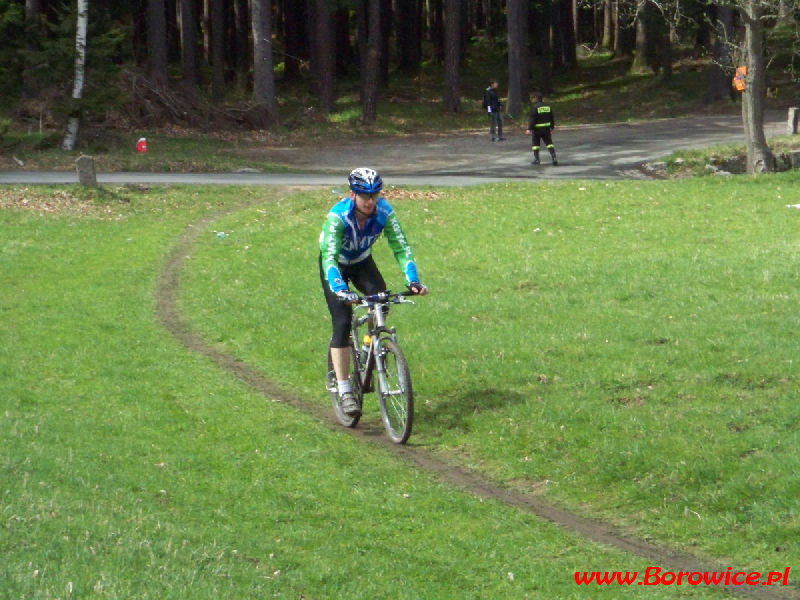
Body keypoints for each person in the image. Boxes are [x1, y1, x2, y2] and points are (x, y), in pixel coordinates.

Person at [319, 167, 428, 417]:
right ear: (352, 195)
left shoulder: (385, 213)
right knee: (343, 321)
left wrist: (413, 280)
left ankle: (370, 345)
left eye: (374, 195)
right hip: (335, 267)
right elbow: (330, 258)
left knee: (382, 300)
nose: (370, 201)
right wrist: (340, 289)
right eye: (364, 196)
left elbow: (401, 247)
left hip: (362, 262)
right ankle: (345, 390)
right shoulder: (338, 218)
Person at [526, 93, 558, 165]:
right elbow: (551, 118)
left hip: (537, 130)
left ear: (536, 98)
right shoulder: (548, 107)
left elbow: (532, 119)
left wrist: (529, 129)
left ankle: (537, 159)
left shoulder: (535, 107)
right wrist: (552, 127)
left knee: (535, 144)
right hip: (546, 129)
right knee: (549, 143)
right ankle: (554, 158)